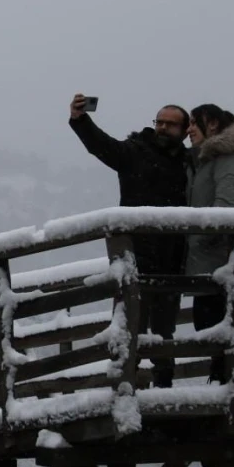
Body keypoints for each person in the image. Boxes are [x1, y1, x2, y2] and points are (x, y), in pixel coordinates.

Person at [67, 94, 189, 387]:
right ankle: (126, 388)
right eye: (159, 122)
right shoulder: (135, 152)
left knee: (163, 329)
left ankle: (163, 388)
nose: (162, 128)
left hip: (173, 256)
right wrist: (80, 120)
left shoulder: (190, 162)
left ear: (185, 131)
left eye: (170, 124)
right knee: (130, 324)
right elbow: (101, 146)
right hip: (134, 253)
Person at [184, 104, 234, 383]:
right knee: (209, 328)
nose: (189, 129)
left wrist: (198, 238)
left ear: (212, 124)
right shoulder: (206, 160)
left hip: (217, 258)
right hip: (205, 259)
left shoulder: (225, 159)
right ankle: (222, 385)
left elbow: (226, 207)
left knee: (216, 327)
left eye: (194, 123)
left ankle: (226, 389)